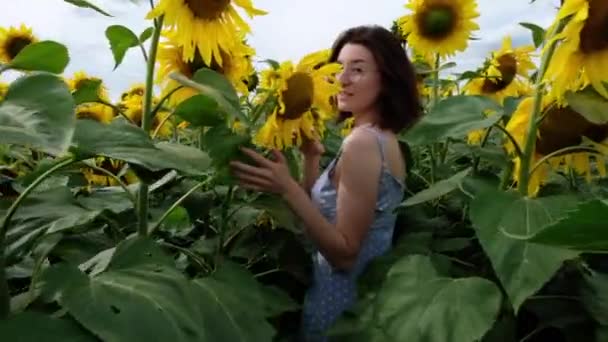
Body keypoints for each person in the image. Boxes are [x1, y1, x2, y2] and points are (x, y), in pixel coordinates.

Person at [229, 24, 421, 341]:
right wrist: (311, 159)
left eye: (357, 70)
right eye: (339, 68)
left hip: (342, 308)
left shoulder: (361, 143)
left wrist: (286, 188)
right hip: (356, 303)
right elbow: (323, 220)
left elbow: (344, 253)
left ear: (387, 79)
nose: (341, 79)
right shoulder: (383, 139)